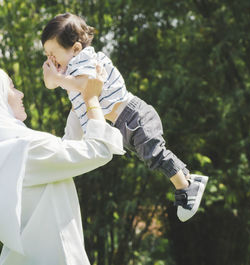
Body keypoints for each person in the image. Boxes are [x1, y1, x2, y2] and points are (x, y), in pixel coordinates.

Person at [0, 66, 124, 265]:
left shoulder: (6, 154)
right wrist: (91, 100)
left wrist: (78, 101)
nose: (20, 94)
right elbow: (98, 150)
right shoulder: (25, 149)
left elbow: (64, 154)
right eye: (11, 87)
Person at [41, 12, 209, 222]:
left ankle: (186, 187)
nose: (50, 59)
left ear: (75, 48)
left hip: (133, 115)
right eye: (47, 55)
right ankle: (190, 179)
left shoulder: (85, 60)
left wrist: (58, 78)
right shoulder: (68, 70)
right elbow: (51, 83)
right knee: (151, 156)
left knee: (155, 154)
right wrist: (55, 75)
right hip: (123, 123)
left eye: (53, 53)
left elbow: (85, 86)